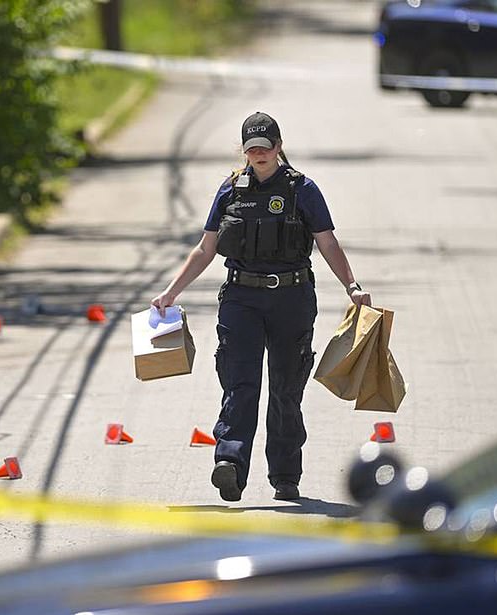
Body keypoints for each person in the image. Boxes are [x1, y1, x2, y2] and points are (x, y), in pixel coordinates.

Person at [151, 112, 372, 503]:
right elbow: (205, 249)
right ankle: (230, 465)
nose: (259, 154)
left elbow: (327, 243)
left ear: (278, 146)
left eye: (265, 147)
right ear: (244, 151)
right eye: (251, 149)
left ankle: (285, 475)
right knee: (240, 384)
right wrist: (171, 292)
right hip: (241, 299)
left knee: (286, 388)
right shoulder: (231, 190)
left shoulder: (303, 190)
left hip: (292, 297)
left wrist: (351, 286)